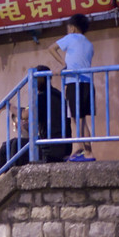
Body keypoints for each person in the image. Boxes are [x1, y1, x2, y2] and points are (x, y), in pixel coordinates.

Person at [0, 65, 71, 169]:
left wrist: (8, 105)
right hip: (64, 147)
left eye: (36, 79)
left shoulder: (42, 97)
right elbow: (29, 112)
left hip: (49, 150)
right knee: (16, 146)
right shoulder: (58, 95)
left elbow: (24, 115)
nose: (34, 82)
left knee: (7, 148)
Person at [48, 13, 95, 160]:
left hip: (74, 83)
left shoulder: (71, 38)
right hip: (87, 83)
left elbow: (51, 48)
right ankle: (86, 152)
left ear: (73, 28)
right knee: (81, 118)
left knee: (77, 119)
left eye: (68, 28)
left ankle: (81, 149)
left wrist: (63, 64)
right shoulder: (89, 44)